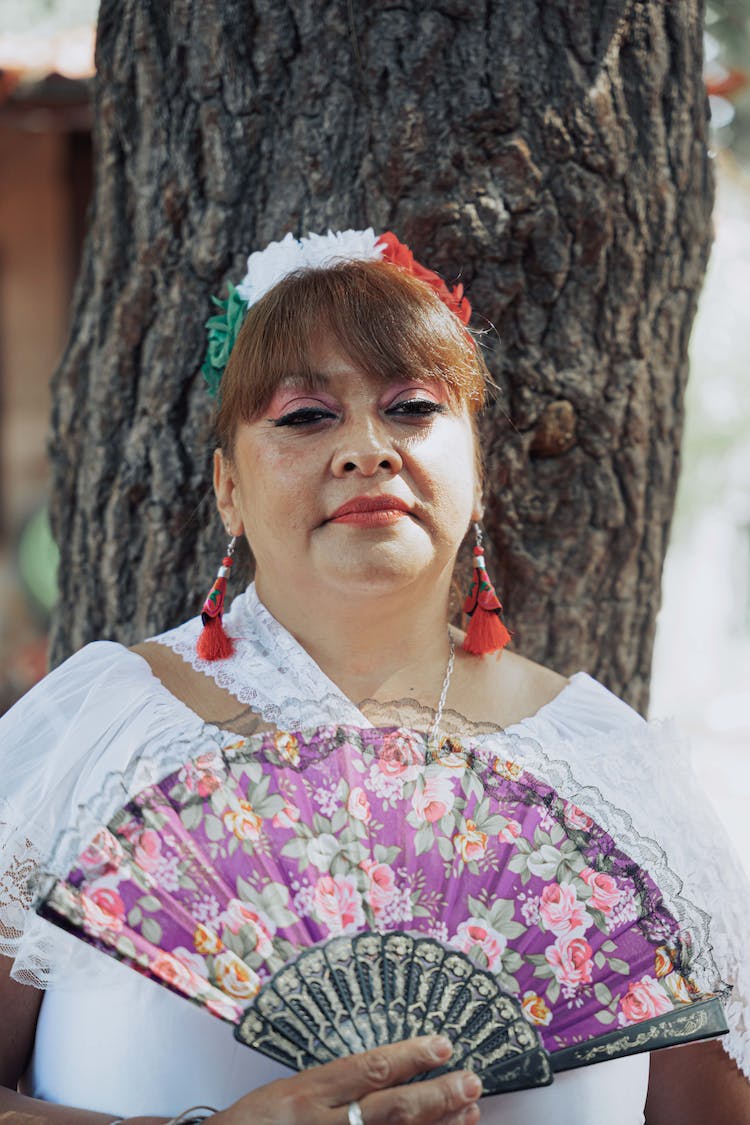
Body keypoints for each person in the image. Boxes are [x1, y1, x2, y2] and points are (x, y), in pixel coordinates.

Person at [1, 230, 749, 1125]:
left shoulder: (610, 767)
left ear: (479, 476)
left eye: (413, 407)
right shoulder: (106, 723)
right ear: (228, 488)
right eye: (306, 415)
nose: (367, 448)